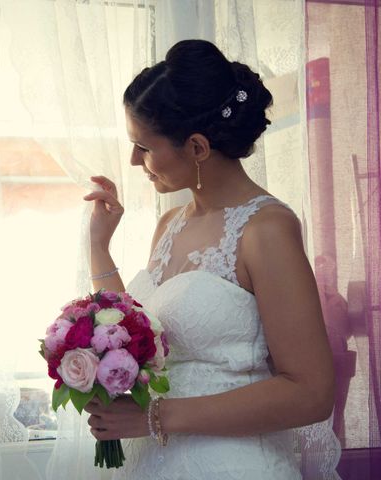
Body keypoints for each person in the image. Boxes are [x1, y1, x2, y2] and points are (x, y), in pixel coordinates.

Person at [69, 40, 339, 479]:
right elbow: (136, 337)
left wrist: (156, 418)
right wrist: (100, 245)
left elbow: (311, 393)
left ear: (196, 147)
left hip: (231, 465)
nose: (135, 161)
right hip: (155, 462)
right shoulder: (170, 222)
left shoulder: (266, 230)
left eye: (143, 146)